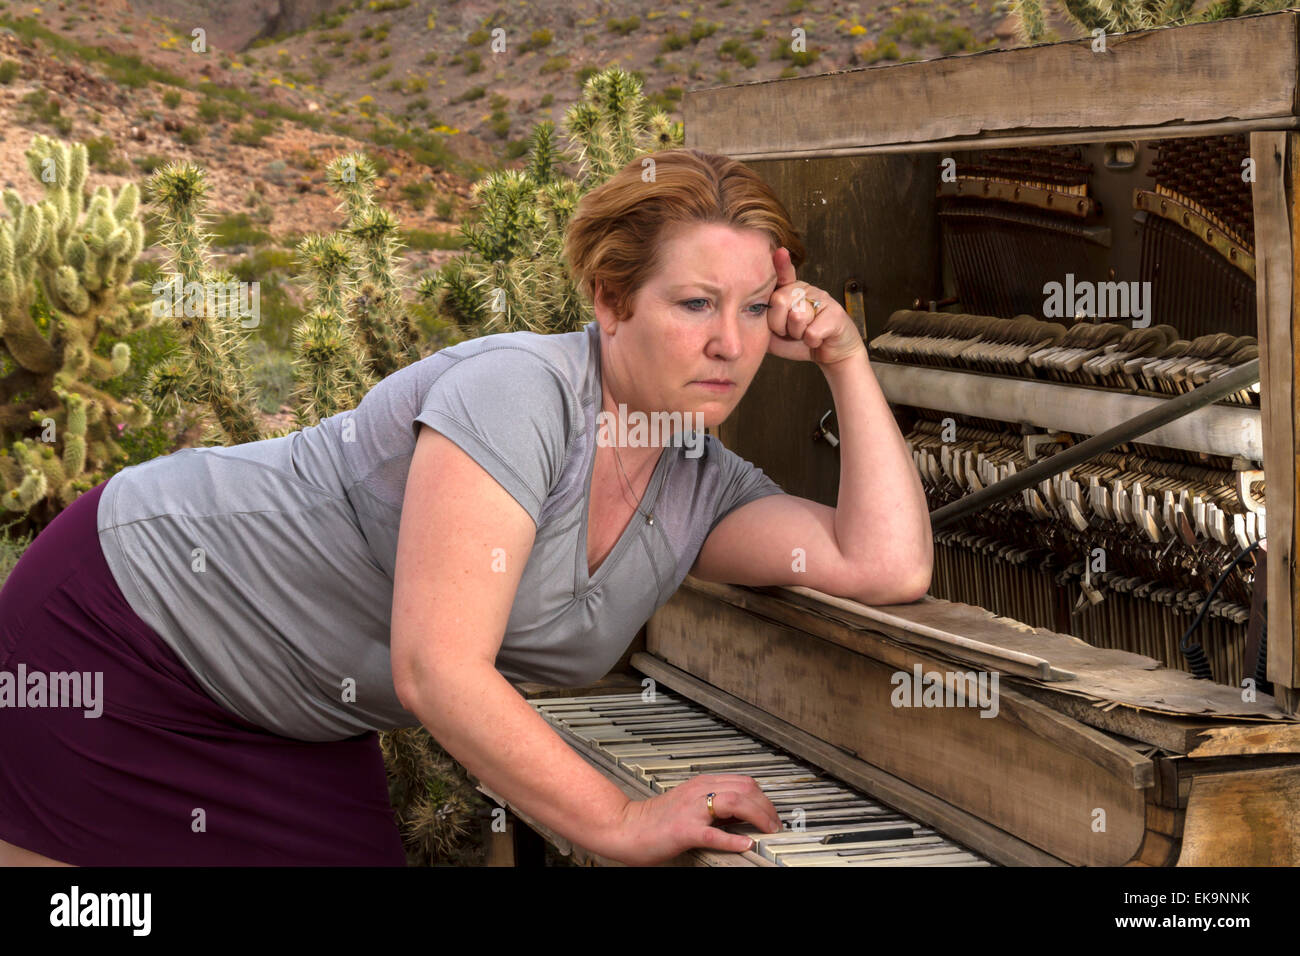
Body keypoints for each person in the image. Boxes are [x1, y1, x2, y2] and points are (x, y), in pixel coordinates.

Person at [0, 147, 932, 867]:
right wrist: (619, 819)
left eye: (756, 308)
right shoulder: (518, 393)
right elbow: (438, 671)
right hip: (124, 630)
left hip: (295, 713)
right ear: (610, 302)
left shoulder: (698, 478)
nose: (729, 342)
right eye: (693, 304)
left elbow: (885, 564)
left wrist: (848, 358)